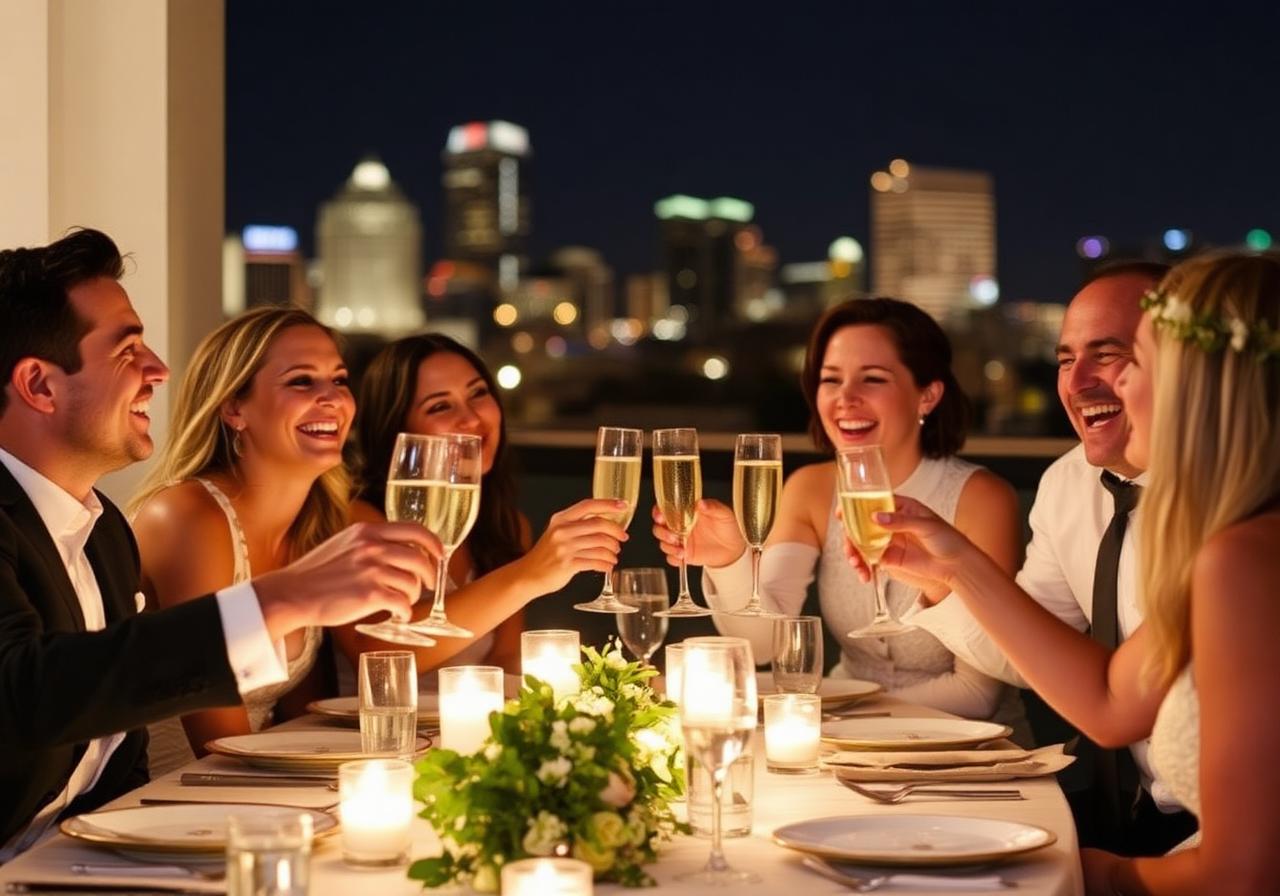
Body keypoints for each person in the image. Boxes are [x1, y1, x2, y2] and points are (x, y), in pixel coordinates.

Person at [0, 229, 438, 856]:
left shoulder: (103, 532)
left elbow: (118, 755)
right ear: (39, 386)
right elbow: (28, 694)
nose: (159, 369)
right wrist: (282, 599)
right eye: (127, 351)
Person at [865, 251, 1280, 894]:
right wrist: (958, 565)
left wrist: (1086, 872)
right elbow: (1110, 705)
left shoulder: (1244, 558)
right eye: (1066, 359)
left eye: (1134, 361)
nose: (1110, 386)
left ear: (1203, 384)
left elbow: (1240, 875)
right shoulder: (1230, 538)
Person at [900, 262, 1196, 856]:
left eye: (1109, 356)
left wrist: (1102, 877)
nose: (1078, 382)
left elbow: (1111, 708)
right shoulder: (1068, 483)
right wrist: (941, 579)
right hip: (1127, 812)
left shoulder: (1234, 524)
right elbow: (1032, 655)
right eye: (1064, 360)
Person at [652, 297, 1023, 726]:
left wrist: (839, 717)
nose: (845, 399)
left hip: (974, 748)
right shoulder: (811, 489)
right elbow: (764, 645)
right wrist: (730, 560)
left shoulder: (982, 499)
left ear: (927, 395)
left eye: (873, 379)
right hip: (845, 744)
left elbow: (978, 694)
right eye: (831, 380)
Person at [129, 307, 353, 775]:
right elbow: (222, 747)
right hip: (168, 795)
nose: (333, 398)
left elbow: (302, 722)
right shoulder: (188, 517)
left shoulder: (313, 528)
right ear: (234, 409)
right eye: (302, 381)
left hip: (252, 788)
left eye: (339, 380)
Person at [333, 333, 626, 679]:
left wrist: (589, 685)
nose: (471, 418)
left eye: (478, 393)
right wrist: (530, 573)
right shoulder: (358, 521)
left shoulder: (507, 526)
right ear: (397, 431)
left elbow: (505, 660)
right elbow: (377, 662)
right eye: (440, 406)